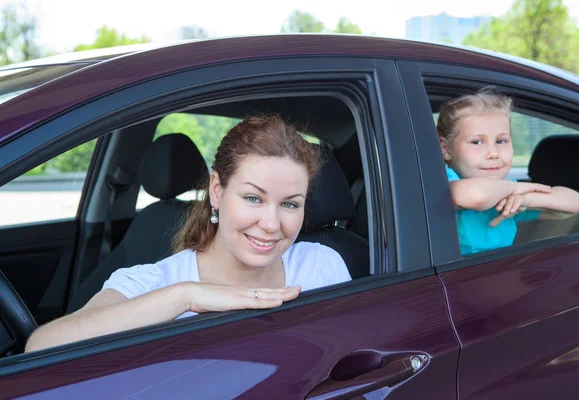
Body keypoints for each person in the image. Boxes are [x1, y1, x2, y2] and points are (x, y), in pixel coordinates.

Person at [25, 115, 351, 352]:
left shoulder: (322, 265)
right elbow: (42, 347)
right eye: (253, 198)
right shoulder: (155, 282)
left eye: (290, 205)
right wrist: (185, 297)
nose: (271, 223)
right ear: (217, 191)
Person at [437, 88, 579, 255]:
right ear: (446, 149)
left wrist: (525, 200)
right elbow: (477, 196)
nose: (493, 153)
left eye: (501, 140)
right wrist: (515, 189)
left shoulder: (506, 192)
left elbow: (575, 202)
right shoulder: (441, 181)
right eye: (477, 142)